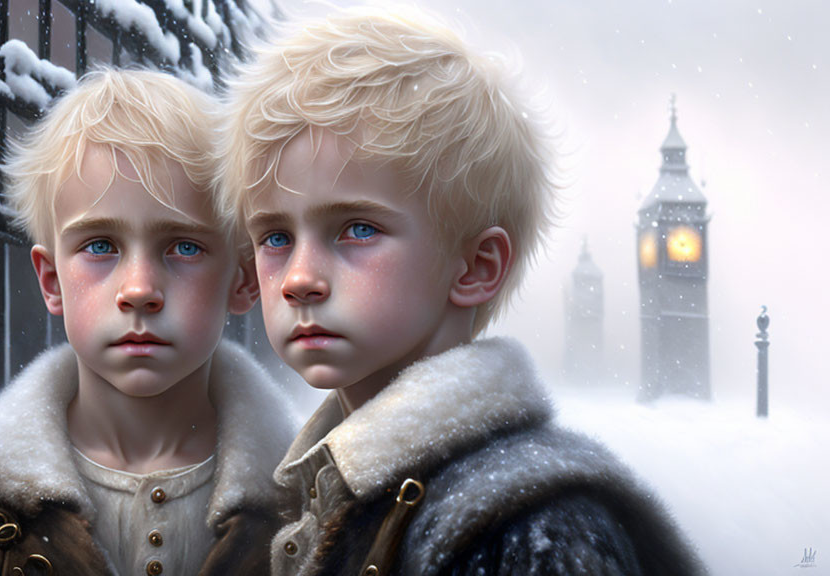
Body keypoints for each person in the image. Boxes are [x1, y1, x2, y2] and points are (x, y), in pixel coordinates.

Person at [218, 8, 705, 575]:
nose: (299, 278)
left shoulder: (532, 527)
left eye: (357, 229)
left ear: (475, 265)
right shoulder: (319, 491)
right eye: (275, 236)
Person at [0, 69, 296, 576]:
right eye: (100, 246)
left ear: (243, 278)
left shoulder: (310, 516)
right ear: (52, 280)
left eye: (184, 246)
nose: (139, 290)